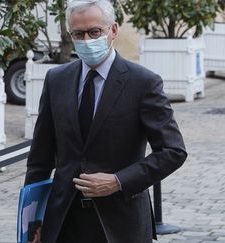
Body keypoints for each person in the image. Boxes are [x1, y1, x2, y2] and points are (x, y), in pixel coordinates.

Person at [23, 0, 187, 242]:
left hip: (120, 222)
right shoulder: (57, 80)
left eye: (95, 31)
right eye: (78, 33)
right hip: (63, 221)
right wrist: (32, 220)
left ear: (113, 30)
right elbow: (40, 158)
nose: (87, 40)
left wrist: (118, 181)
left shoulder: (143, 83)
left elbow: (173, 151)